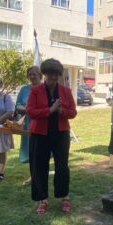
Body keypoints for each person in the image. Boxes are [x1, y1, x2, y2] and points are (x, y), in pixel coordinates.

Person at [27, 58, 77, 214]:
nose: (53, 78)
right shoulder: (35, 91)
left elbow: (73, 112)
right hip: (40, 134)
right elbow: (30, 112)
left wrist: (62, 111)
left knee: (62, 166)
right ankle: (43, 199)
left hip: (60, 133)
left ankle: (64, 197)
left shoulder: (66, 91)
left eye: (56, 75)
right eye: (50, 75)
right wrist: (50, 110)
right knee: (39, 166)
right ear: (44, 74)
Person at [15, 66, 43, 185]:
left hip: (42, 124)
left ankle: (41, 176)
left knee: (41, 151)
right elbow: (18, 105)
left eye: (34, 74)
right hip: (28, 124)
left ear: (40, 75)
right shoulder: (24, 89)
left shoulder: (44, 88)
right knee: (31, 151)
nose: (32, 76)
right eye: (30, 74)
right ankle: (33, 176)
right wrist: (27, 110)